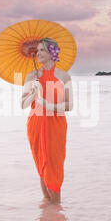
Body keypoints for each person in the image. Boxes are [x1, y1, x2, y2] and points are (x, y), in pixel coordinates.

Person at [21, 38, 73, 203]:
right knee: (42, 165)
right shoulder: (32, 76)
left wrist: (47, 104)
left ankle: (56, 208)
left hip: (56, 125)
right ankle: (49, 213)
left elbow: (69, 105)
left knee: (55, 164)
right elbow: (23, 104)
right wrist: (33, 92)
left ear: (52, 52)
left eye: (42, 50)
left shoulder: (64, 76)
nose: (38, 53)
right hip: (35, 124)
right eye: (37, 50)